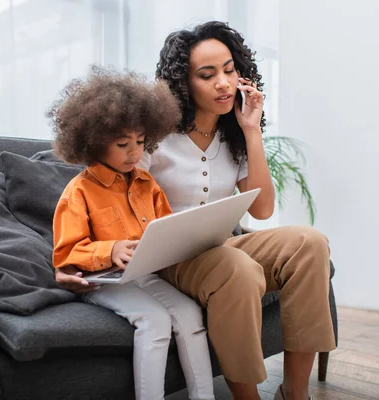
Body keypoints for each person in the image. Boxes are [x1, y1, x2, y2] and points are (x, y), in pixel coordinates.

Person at [56, 21, 335, 400]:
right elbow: (111, 202)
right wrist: (94, 258)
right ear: (184, 84)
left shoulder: (233, 135)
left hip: (222, 246)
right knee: (236, 268)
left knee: (310, 243)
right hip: (172, 261)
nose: (222, 82)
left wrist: (252, 131)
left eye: (229, 69)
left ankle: (294, 392)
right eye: (207, 75)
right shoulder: (150, 139)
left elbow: (264, 208)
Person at [49, 67, 215, 400]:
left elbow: (166, 227)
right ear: (94, 143)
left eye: (141, 142)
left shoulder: (146, 183)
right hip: (103, 282)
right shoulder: (78, 192)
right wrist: (109, 251)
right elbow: (66, 254)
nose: (135, 152)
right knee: (154, 320)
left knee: (189, 313)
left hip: (145, 273)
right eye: (123, 144)